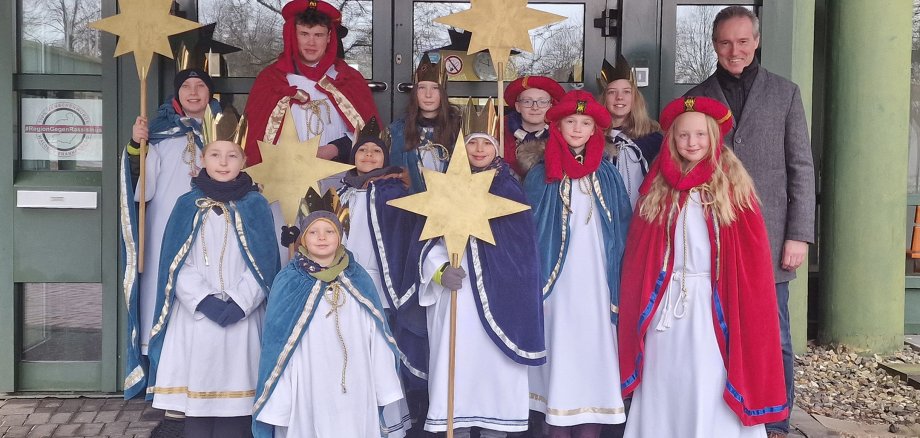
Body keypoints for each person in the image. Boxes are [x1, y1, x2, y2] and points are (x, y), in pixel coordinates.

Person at [618, 96, 788, 438]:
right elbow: (641, 252)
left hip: (714, 303)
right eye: (683, 136)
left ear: (713, 137)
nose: (692, 143)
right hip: (666, 302)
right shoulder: (657, 185)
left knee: (707, 375)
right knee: (665, 375)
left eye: (699, 135)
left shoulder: (733, 185)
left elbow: (750, 258)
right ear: (672, 139)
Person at [685, 7, 816, 437]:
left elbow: (801, 167)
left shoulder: (786, 93)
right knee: (717, 327)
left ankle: (776, 420)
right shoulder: (695, 96)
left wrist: (798, 235)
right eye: (725, 42)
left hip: (771, 235)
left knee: (773, 333)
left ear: (756, 41)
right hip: (712, 237)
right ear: (714, 44)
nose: (735, 50)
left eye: (743, 41)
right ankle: (722, 415)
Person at [412, 100, 545, 437]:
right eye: (473, 142)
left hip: (500, 298)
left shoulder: (508, 187)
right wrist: (440, 270)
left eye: (487, 142)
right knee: (456, 371)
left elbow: (521, 249)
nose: (480, 149)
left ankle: (493, 428)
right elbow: (427, 241)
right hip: (456, 295)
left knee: (493, 373)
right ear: (462, 145)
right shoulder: (444, 184)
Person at [145, 129, 281, 438]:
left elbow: (264, 263)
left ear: (244, 161)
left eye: (232, 155)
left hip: (241, 320)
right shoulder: (186, 204)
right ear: (203, 159)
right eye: (215, 155)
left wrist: (239, 302)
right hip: (195, 318)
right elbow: (176, 262)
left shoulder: (256, 205)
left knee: (236, 404)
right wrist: (204, 300)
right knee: (197, 404)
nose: (223, 162)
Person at [523, 90, 631, 438]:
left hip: (598, 284)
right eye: (571, 121)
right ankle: (555, 420)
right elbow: (529, 232)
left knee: (595, 350)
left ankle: (592, 422)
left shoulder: (609, 175)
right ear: (557, 125)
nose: (578, 128)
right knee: (561, 349)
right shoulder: (541, 176)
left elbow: (623, 227)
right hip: (557, 285)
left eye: (585, 123)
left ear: (595, 130)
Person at [252, 212, 407, 438]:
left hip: (356, 378)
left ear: (340, 236)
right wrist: (281, 398)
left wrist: (383, 378)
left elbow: (377, 331)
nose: (321, 237)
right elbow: (278, 346)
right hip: (309, 377)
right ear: (303, 238)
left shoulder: (358, 277)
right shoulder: (289, 279)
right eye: (313, 232)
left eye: (329, 231)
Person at [118, 68, 222, 399]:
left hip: (208, 228)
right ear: (177, 94)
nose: (193, 92)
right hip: (165, 226)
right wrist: (138, 144)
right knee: (163, 294)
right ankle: (162, 377)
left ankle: (202, 375)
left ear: (210, 93)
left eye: (201, 86)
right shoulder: (160, 131)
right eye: (186, 87)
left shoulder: (225, 131)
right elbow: (140, 183)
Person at [244, 0, 379, 166]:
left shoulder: (348, 78)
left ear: (329, 37)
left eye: (318, 35)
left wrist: (333, 149)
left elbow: (370, 135)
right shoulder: (271, 79)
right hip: (284, 174)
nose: (311, 43)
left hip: (340, 174)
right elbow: (254, 139)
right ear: (293, 35)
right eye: (304, 34)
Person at [388, 53, 462, 193]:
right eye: (422, 88)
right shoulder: (397, 131)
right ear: (415, 93)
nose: (428, 95)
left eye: (435, 88)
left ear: (443, 93)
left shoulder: (458, 130)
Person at [598, 55, 663, 209]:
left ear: (635, 98)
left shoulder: (653, 139)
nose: (619, 97)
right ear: (604, 98)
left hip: (642, 216)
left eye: (626, 92)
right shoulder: (591, 138)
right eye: (612, 92)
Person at [502, 75, 565, 178]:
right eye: (527, 101)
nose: (535, 107)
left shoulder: (563, 136)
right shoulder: (500, 132)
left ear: (551, 106)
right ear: (518, 106)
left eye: (542, 102)